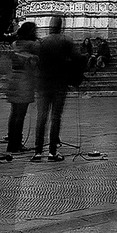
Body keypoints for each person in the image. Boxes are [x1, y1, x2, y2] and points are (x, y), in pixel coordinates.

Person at [31, 16, 86, 160]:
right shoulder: (66, 41)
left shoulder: (41, 43)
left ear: (50, 27)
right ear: (61, 27)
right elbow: (76, 59)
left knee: (41, 117)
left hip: (43, 84)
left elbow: (35, 61)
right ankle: (52, 151)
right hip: (59, 84)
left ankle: (37, 152)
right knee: (55, 117)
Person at [4, 23, 39, 157]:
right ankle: (16, 143)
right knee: (20, 115)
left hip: (13, 80)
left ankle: (12, 142)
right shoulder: (32, 45)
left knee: (14, 114)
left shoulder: (14, 44)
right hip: (25, 82)